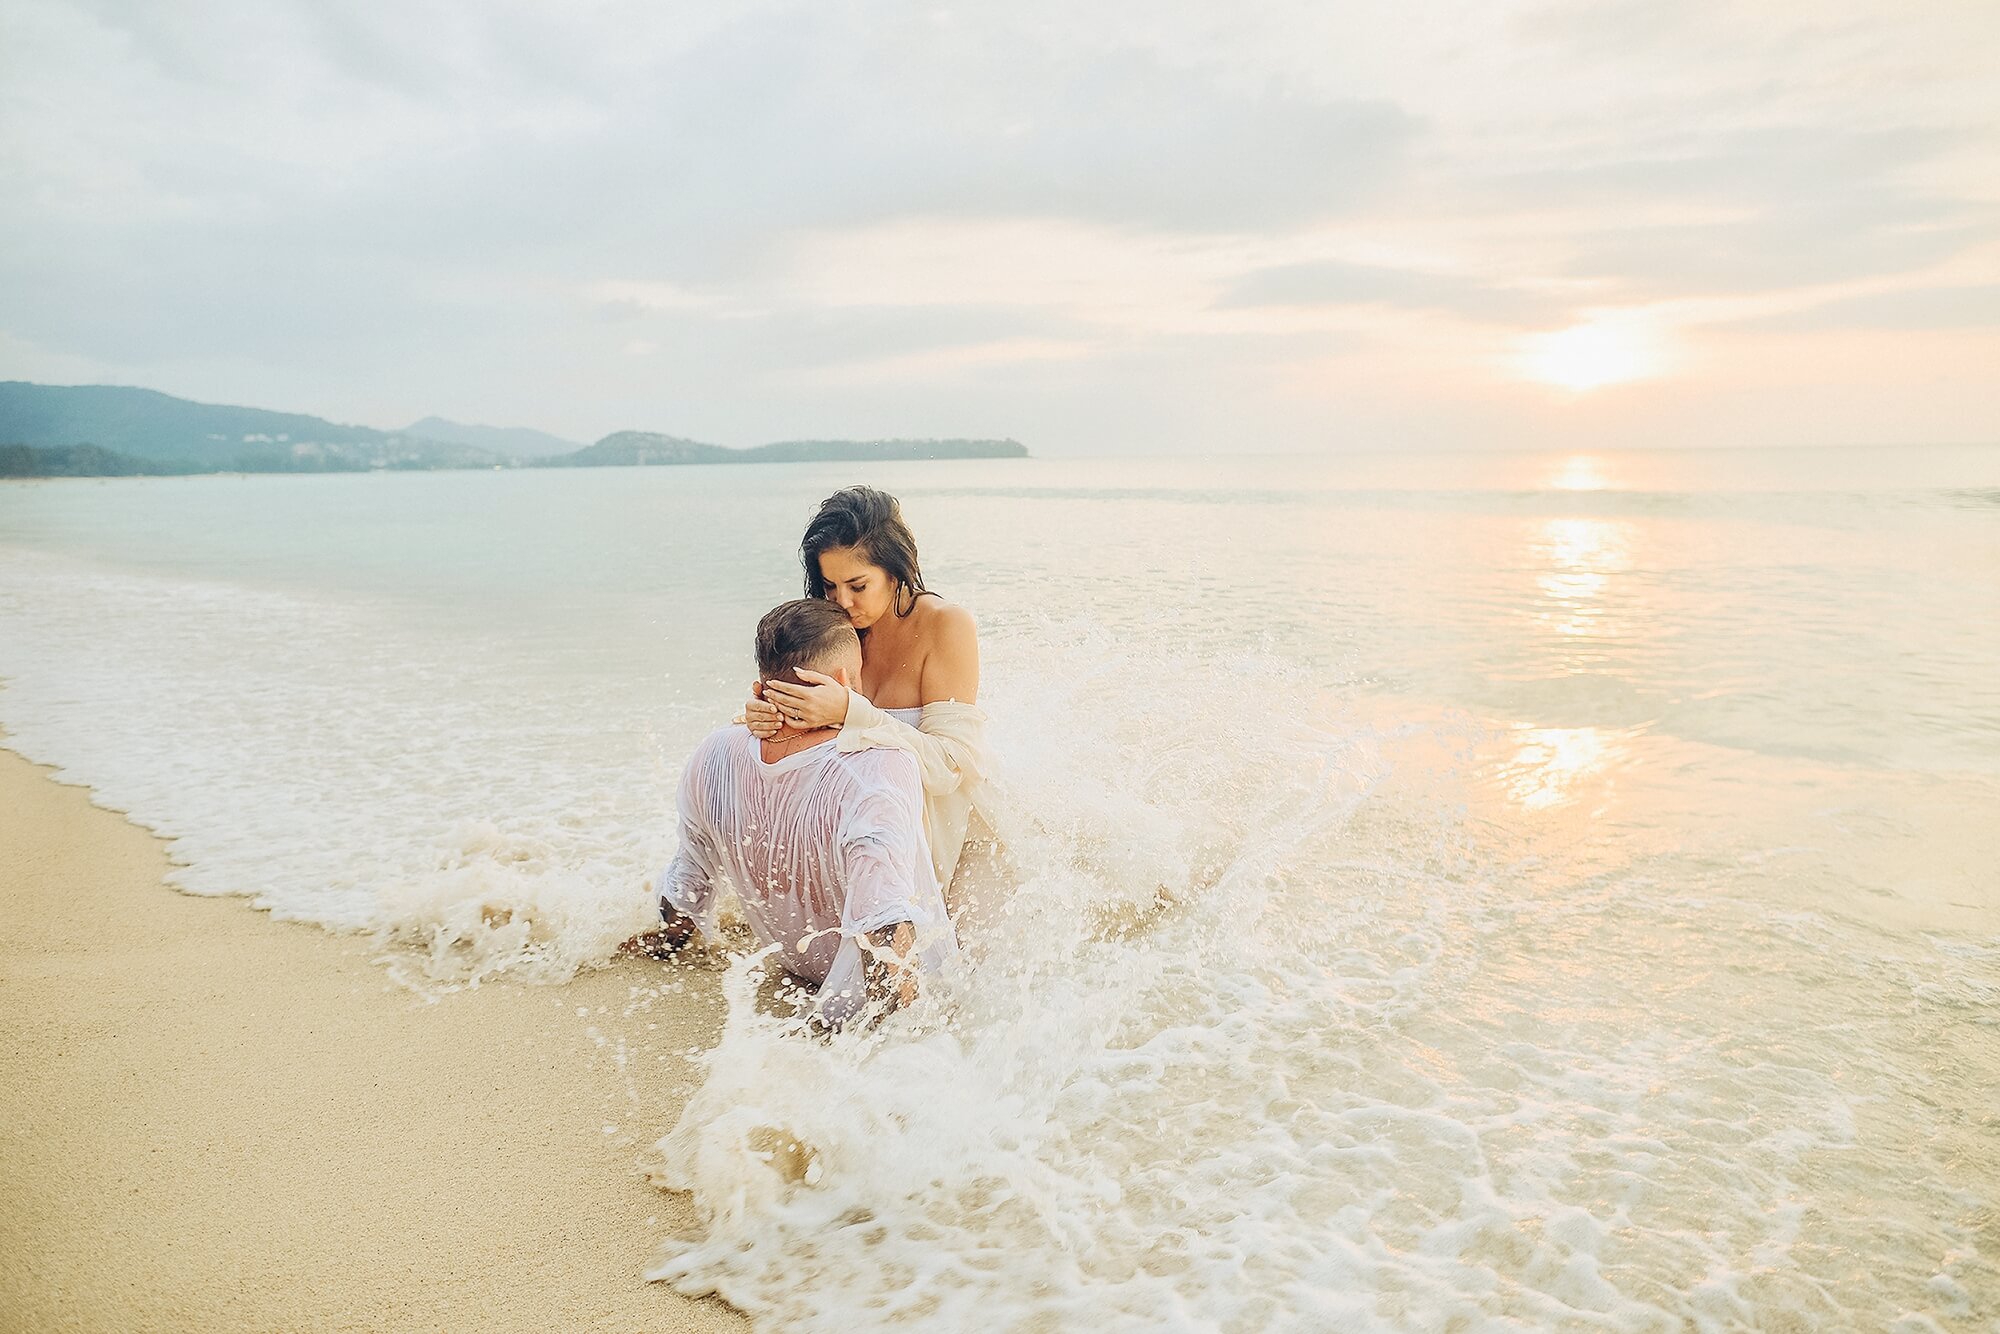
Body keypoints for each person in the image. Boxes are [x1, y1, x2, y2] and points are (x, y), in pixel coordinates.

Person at [649, 598, 956, 1025]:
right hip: (854, 1000)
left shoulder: (715, 751)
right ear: (847, 679)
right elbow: (881, 923)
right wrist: (916, 1033)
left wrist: (663, 945)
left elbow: (688, 877)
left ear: (762, 684)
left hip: (793, 968)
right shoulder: (878, 765)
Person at [744, 487, 995, 901]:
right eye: (829, 587)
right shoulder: (836, 630)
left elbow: (951, 767)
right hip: (871, 833)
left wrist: (850, 711)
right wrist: (764, 716)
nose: (843, 602)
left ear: (895, 571)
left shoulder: (946, 625)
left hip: (958, 837)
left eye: (858, 586)